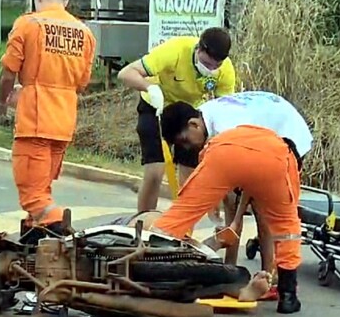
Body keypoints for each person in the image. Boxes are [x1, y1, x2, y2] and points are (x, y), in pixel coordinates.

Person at [159, 91, 313, 302]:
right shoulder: (204, 118)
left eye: (185, 141)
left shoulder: (225, 127)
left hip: (288, 134)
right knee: (270, 214)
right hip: (260, 143)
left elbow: (239, 186)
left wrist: (232, 218)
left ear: (194, 125)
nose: (187, 148)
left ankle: (270, 276)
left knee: (266, 211)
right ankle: (259, 277)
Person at [0, 0, 96, 234]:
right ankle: (36, 240)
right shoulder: (85, 33)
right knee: (42, 188)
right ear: (65, 1)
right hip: (63, 124)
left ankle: (63, 228)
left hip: (35, 122)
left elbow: (7, 74)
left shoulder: (28, 24)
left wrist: (2, 101)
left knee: (34, 197)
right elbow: (81, 82)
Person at [116, 28, 239, 212]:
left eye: (216, 66)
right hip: (156, 107)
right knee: (155, 171)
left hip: (188, 115)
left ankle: (183, 224)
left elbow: (225, 108)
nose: (210, 70)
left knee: (190, 175)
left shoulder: (225, 70)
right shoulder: (175, 50)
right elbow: (126, 73)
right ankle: (143, 219)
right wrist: (150, 88)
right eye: (206, 64)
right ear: (198, 49)